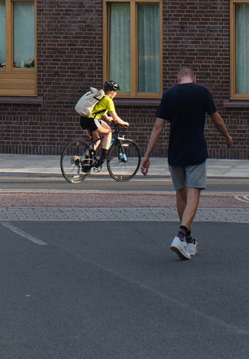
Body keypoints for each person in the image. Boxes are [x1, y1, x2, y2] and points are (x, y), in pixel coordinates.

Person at [136, 63, 236, 259]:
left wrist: (147, 155)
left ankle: (189, 241)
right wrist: (227, 136)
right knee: (193, 193)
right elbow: (217, 119)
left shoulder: (169, 94)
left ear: (178, 78)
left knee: (180, 194)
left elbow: (158, 126)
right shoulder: (202, 91)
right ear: (195, 78)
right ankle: (181, 235)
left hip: (175, 151)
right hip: (195, 150)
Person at [88, 81, 126, 165]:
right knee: (109, 132)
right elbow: (115, 118)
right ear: (112, 92)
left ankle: (86, 161)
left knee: (96, 141)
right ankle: (104, 156)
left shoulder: (100, 97)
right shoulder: (108, 100)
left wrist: (107, 117)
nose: (116, 94)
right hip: (92, 120)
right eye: (115, 92)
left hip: (85, 119)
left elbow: (98, 109)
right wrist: (124, 123)